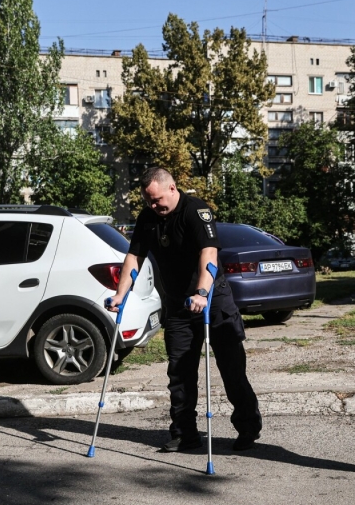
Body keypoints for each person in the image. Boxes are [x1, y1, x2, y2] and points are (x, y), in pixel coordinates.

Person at [108, 167, 262, 452]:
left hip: (212, 302)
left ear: (172, 188)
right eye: (148, 201)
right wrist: (121, 294)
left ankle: (248, 427)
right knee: (179, 373)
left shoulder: (196, 211)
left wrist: (202, 291)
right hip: (178, 306)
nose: (154, 206)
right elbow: (134, 256)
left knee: (232, 369)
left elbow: (209, 253)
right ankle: (184, 433)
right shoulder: (148, 218)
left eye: (157, 200)